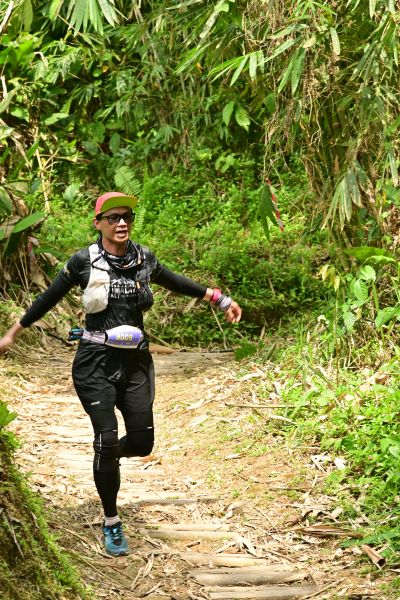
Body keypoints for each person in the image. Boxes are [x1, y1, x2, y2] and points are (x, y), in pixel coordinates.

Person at [0, 191, 242, 557]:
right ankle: (111, 520)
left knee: (143, 443)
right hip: (95, 362)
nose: (122, 222)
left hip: (136, 363)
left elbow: (176, 282)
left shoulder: (144, 258)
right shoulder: (83, 260)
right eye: (113, 217)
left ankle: (109, 455)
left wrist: (220, 299)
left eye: (127, 216)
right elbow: (48, 298)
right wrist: (13, 333)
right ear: (98, 223)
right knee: (106, 436)